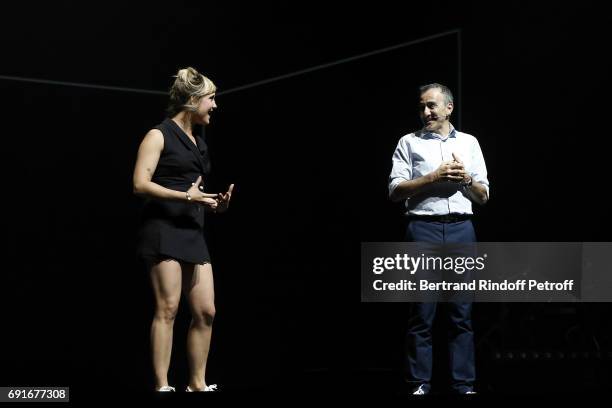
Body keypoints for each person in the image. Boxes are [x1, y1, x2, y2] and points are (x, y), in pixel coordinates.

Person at [133, 67, 234, 392]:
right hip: (163, 227)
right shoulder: (158, 134)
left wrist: (215, 204)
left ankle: (197, 383)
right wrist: (185, 196)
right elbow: (139, 184)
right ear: (193, 100)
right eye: (211, 98)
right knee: (168, 307)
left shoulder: (199, 143)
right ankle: (162, 384)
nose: (215, 105)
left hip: (192, 229)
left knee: (206, 311)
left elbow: (196, 192)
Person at [388, 83, 489, 395]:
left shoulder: (470, 143)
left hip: (461, 229)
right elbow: (394, 191)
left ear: (449, 108)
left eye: (432, 105)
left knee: (462, 313)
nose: (426, 112)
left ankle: (463, 384)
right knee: (422, 313)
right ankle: (419, 383)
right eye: (421, 107)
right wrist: (434, 177)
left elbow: (483, 196)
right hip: (423, 230)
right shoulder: (409, 142)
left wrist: (466, 179)